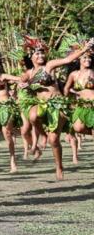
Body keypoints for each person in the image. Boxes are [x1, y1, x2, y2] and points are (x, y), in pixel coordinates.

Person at [17, 35, 93, 180]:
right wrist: (22, 85)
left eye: (42, 52)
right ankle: (42, 136)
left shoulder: (49, 65)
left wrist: (85, 49)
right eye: (37, 53)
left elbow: (68, 60)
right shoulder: (28, 73)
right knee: (32, 115)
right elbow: (20, 84)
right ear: (30, 56)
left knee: (54, 140)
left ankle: (59, 167)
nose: (40, 55)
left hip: (56, 105)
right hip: (41, 105)